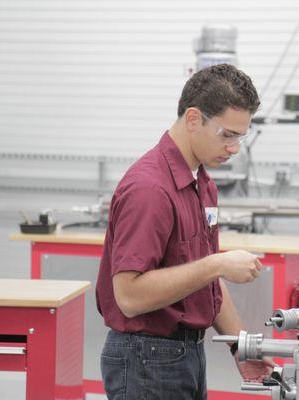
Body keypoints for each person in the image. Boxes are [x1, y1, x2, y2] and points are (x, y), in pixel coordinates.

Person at [95, 64, 274, 400]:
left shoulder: (200, 184)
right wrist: (217, 264)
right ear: (194, 119)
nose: (234, 148)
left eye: (240, 136)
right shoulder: (150, 189)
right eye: (227, 134)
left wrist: (242, 347)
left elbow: (201, 278)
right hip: (147, 357)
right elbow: (130, 298)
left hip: (184, 355)